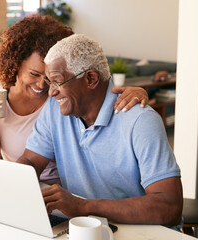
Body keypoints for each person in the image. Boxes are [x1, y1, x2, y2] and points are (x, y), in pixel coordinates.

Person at [17, 34, 183, 227]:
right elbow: (30, 160)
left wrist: (84, 206)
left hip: (139, 230)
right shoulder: (55, 110)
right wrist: (15, 179)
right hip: (86, 227)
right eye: (49, 82)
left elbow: (169, 207)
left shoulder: (140, 121)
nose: (51, 92)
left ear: (91, 79)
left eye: (57, 81)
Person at [0, 14, 148, 184]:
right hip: (22, 182)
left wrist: (138, 92)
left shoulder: (63, 94)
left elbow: (99, 97)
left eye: (50, 77)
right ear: (15, 63)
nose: (42, 85)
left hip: (68, 190)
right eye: (34, 74)